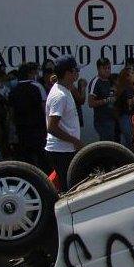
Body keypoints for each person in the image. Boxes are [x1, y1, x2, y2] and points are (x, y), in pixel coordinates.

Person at [45, 56, 83, 191]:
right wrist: (75, 141)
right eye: (75, 71)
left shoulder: (66, 89)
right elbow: (52, 127)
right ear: (68, 73)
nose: (77, 74)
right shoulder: (59, 95)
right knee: (69, 188)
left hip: (66, 148)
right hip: (60, 151)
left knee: (66, 184)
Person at [8, 63, 47, 171]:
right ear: (30, 73)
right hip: (38, 130)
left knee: (27, 162)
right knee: (42, 159)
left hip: (22, 131)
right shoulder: (37, 87)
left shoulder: (13, 90)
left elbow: (11, 114)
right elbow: (45, 109)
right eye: (35, 72)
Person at [88, 58, 117, 142]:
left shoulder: (111, 80)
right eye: (105, 68)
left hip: (113, 118)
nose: (107, 70)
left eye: (109, 68)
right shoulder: (95, 82)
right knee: (106, 144)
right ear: (98, 69)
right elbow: (91, 103)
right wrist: (106, 100)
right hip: (102, 120)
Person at [113, 67, 134, 149]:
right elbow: (130, 104)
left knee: (125, 140)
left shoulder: (123, 87)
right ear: (127, 77)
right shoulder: (128, 88)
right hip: (126, 117)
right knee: (129, 141)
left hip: (122, 117)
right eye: (132, 73)